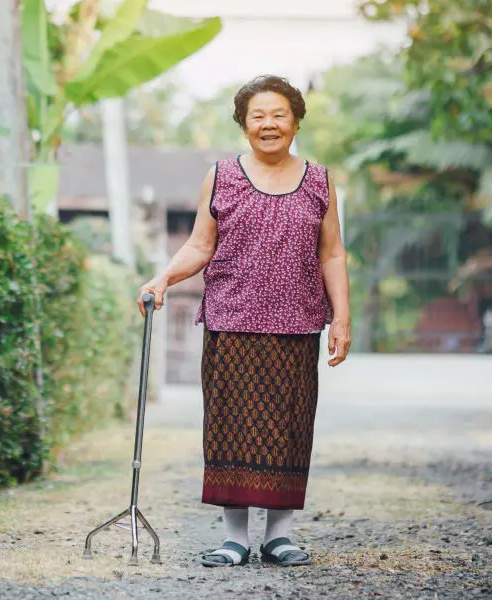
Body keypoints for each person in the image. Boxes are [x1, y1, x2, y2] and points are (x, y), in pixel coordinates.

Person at [137, 75, 351, 568]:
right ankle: (234, 537)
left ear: (296, 121)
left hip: (297, 325)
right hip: (232, 322)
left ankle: (280, 536)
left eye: (278, 114)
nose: (269, 124)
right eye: (258, 116)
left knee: (289, 428)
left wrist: (341, 317)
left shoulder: (319, 180)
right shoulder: (222, 175)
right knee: (231, 428)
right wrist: (163, 278)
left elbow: (332, 253)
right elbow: (199, 245)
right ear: (244, 124)